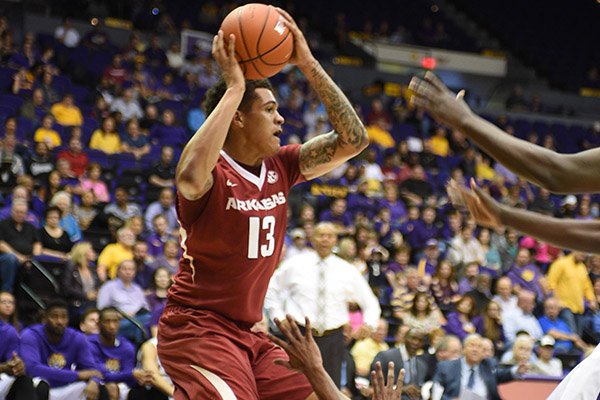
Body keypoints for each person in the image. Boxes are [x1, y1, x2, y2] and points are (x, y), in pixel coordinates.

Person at [158, 8, 371, 399]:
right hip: (198, 327)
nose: (281, 119)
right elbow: (188, 177)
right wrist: (235, 87)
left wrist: (307, 63)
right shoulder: (212, 172)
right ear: (238, 119)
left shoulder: (282, 164)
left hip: (250, 331)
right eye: (269, 110)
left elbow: (354, 140)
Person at [265, 221, 381, 387]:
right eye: (321, 235)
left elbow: (370, 301)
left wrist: (369, 324)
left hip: (333, 338)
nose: (325, 239)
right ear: (312, 238)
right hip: (300, 335)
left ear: (336, 240)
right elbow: (271, 289)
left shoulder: (346, 270)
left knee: (329, 389)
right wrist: (278, 316)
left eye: (330, 236)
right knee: (296, 387)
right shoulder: (294, 264)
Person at [270, 315, 405, 400]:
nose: (344, 335)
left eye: (347, 331)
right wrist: (315, 369)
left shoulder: (347, 358)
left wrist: (314, 369)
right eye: (342, 331)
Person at [19, 300, 107, 399]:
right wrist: (77, 375)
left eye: (63, 317)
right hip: (41, 388)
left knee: (99, 387)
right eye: (54, 317)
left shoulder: (76, 337)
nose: (60, 321)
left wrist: (94, 381)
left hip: (66, 387)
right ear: (44, 318)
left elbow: (92, 369)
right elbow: (32, 368)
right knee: (39, 385)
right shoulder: (31, 335)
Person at [432, 333, 525, 400]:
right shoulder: (447, 367)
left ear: (483, 352)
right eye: (472, 345)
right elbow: (437, 391)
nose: (475, 350)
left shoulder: (488, 365)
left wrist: (516, 370)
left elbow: (500, 374)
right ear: (463, 349)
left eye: (479, 347)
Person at [88, 307, 154, 400]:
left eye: (115, 321)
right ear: (99, 324)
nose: (112, 326)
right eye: (107, 321)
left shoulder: (126, 346)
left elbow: (128, 374)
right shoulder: (90, 344)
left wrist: (142, 377)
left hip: (122, 384)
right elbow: (100, 374)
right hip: (95, 383)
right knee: (112, 388)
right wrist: (131, 374)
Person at [370, 328, 428, 400]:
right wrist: (402, 390)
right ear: (404, 338)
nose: (416, 342)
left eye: (420, 340)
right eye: (413, 338)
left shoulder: (422, 366)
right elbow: (373, 389)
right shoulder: (385, 356)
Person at [0, 199, 42, 292]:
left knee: (41, 264)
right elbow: (1, 244)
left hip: (28, 259)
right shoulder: (3, 224)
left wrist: (34, 258)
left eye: (22, 212)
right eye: (17, 212)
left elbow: (37, 244)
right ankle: (6, 292)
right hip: (6, 257)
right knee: (10, 258)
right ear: (12, 211)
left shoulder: (31, 227)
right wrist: (19, 257)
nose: (20, 214)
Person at [0, 315, 36, 400]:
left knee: (26, 381)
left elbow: (11, 360)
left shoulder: (8, 331)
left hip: (2, 379)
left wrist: (16, 366)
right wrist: (2, 368)